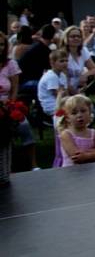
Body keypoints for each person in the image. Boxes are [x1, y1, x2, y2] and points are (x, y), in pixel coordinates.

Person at [0, 32, 38, 170]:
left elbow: (15, 86)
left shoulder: (10, 63)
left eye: (2, 44)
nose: (0, 47)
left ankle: (33, 164)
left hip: (7, 104)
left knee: (24, 126)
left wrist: (11, 104)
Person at [58, 94, 95, 166]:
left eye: (83, 111)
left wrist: (87, 156)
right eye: (74, 113)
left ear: (90, 113)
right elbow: (76, 157)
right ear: (67, 118)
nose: (79, 115)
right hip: (73, 173)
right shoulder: (66, 135)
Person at [18, 24, 57, 98]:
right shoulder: (43, 50)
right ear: (53, 36)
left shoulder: (37, 46)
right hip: (26, 82)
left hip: (26, 80)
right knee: (50, 87)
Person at [60, 25, 95, 94]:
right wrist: (77, 94)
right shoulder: (62, 54)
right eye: (73, 36)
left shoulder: (83, 50)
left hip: (79, 88)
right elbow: (65, 82)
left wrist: (85, 75)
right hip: (65, 91)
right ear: (66, 38)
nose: (76, 38)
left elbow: (94, 69)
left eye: (79, 36)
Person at [36, 49, 69, 118]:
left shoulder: (62, 75)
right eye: (61, 61)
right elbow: (57, 95)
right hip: (51, 105)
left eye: (66, 61)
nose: (65, 63)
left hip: (61, 102)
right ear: (52, 63)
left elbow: (66, 92)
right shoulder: (51, 76)